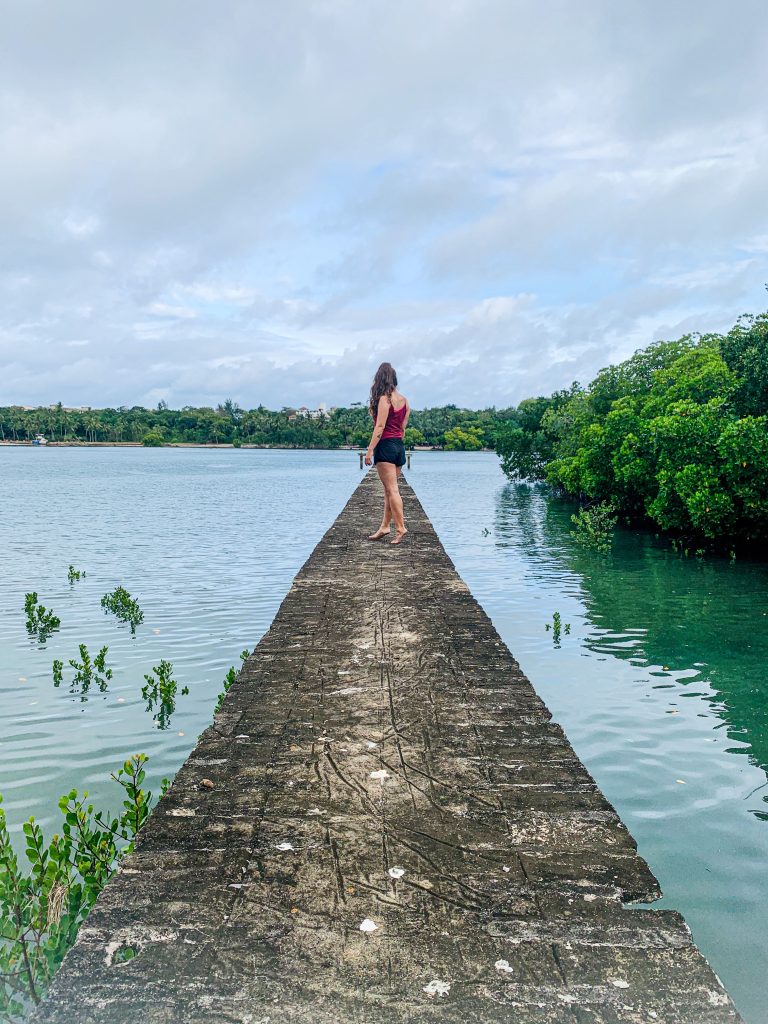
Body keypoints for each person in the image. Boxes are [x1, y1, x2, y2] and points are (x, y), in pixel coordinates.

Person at [364, 362, 409, 545]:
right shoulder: (405, 401)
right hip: (399, 446)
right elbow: (402, 428)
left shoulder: (384, 399)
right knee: (389, 491)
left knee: (392, 490)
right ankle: (384, 526)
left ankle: (400, 527)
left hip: (386, 446)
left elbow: (380, 426)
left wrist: (369, 450)